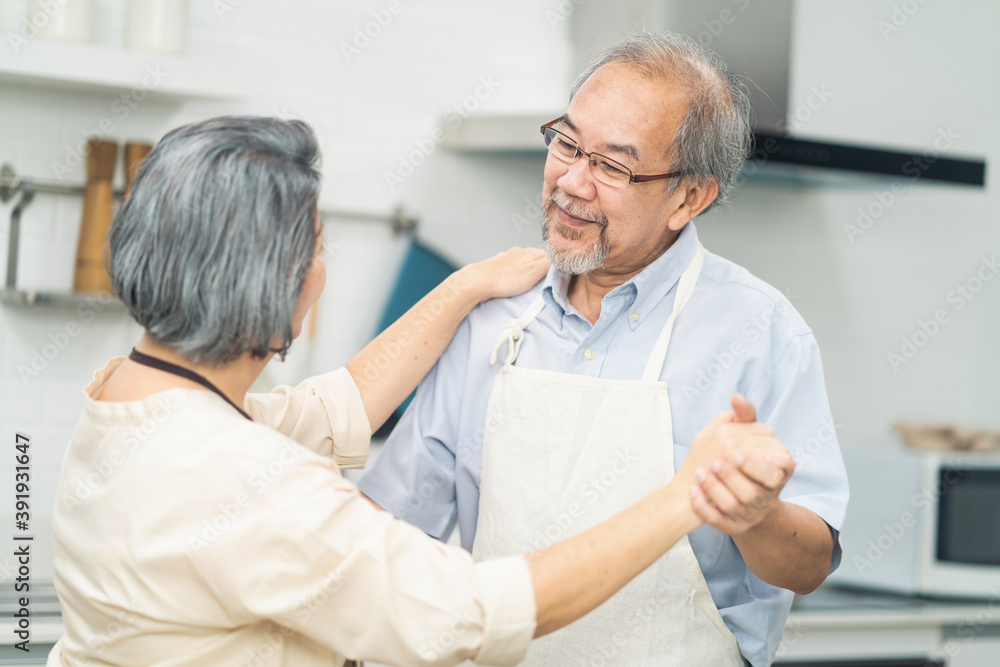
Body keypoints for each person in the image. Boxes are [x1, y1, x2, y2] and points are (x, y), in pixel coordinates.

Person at [47, 116, 793, 667]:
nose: (322, 271)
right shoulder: (247, 482)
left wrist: (465, 286)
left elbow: (325, 410)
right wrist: (687, 495)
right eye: (318, 247)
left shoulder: (127, 397)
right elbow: (470, 611)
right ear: (264, 282)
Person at [359, 31, 850, 667]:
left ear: (689, 197)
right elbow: (393, 530)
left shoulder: (764, 332)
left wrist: (753, 515)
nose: (572, 181)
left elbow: (806, 566)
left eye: (612, 166)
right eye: (566, 144)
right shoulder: (493, 318)